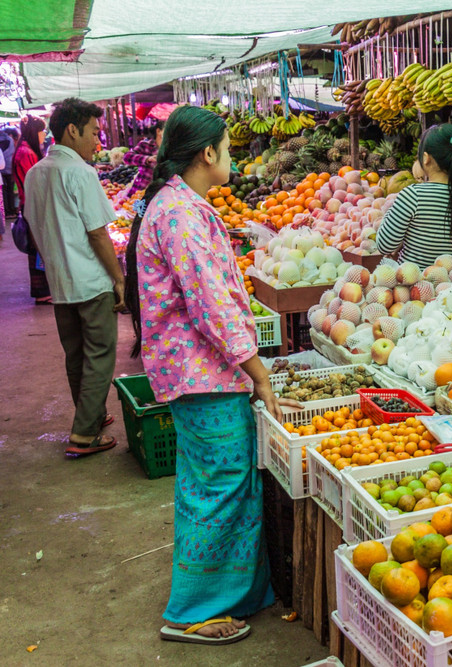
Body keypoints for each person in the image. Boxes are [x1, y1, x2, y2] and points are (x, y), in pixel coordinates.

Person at [125, 105, 288, 645]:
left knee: (218, 482)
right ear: (206, 154)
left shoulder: (180, 206)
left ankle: (232, 592)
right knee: (220, 486)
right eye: (227, 146)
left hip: (203, 373)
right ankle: (193, 612)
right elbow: (211, 305)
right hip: (204, 375)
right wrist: (259, 373)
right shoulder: (179, 214)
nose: (233, 156)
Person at [23, 98, 124, 455]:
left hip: (61, 282)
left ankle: (91, 414)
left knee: (76, 355)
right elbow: (97, 233)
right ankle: (84, 433)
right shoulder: (79, 172)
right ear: (72, 130)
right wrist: (119, 278)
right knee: (100, 354)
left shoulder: (36, 173)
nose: (97, 141)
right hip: (90, 281)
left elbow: (34, 230)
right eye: (94, 132)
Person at [375, 123, 452, 269]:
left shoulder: (412, 196)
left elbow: (384, 246)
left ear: (426, 158)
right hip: (447, 284)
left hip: (412, 283)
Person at [14, 115, 50, 303]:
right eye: (42, 131)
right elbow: (34, 183)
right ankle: (43, 293)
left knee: (38, 249)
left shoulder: (23, 150)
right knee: (39, 249)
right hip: (32, 206)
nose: (44, 134)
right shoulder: (27, 152)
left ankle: (43, 292)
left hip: (29, 204)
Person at [122, 119, 163, 197]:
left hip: (159, 196)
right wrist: (147, 159)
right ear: (158, 131)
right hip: (139, 193)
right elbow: (126, 157)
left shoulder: (170, 149)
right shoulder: (145, 145)